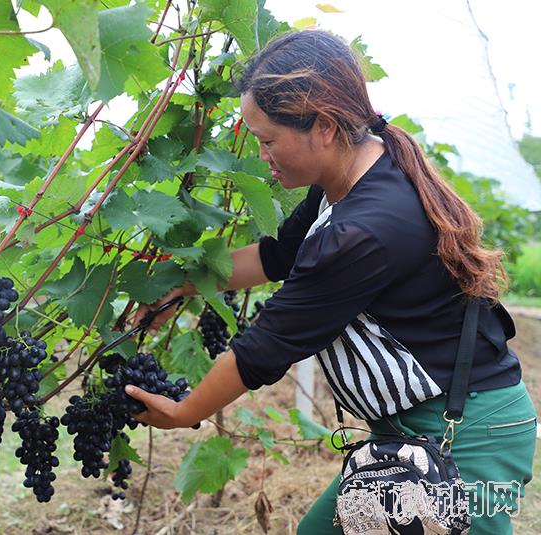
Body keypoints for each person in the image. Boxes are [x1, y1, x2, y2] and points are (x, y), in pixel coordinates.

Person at [124, 30, 536, 534]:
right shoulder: (349, 180)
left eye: (268, 139)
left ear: (321, 125)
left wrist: (185, 410)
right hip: (417, 423)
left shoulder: (362, 231)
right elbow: (275, 256)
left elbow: (268, 346)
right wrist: (186, 285)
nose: (262, 153)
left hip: (468, 433)